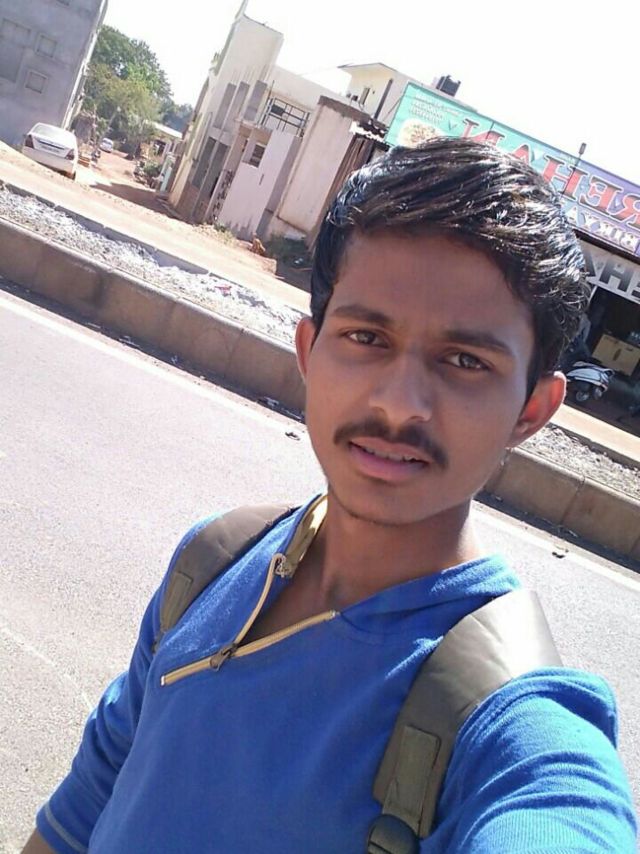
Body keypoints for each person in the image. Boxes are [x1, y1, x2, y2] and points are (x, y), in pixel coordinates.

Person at [24, 139, 636, 853]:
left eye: (465, 360)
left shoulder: (510, 722)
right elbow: (91, 795)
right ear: (309, 351)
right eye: (367, 337)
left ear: (532, 410)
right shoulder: (216, 560)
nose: (400, 403)